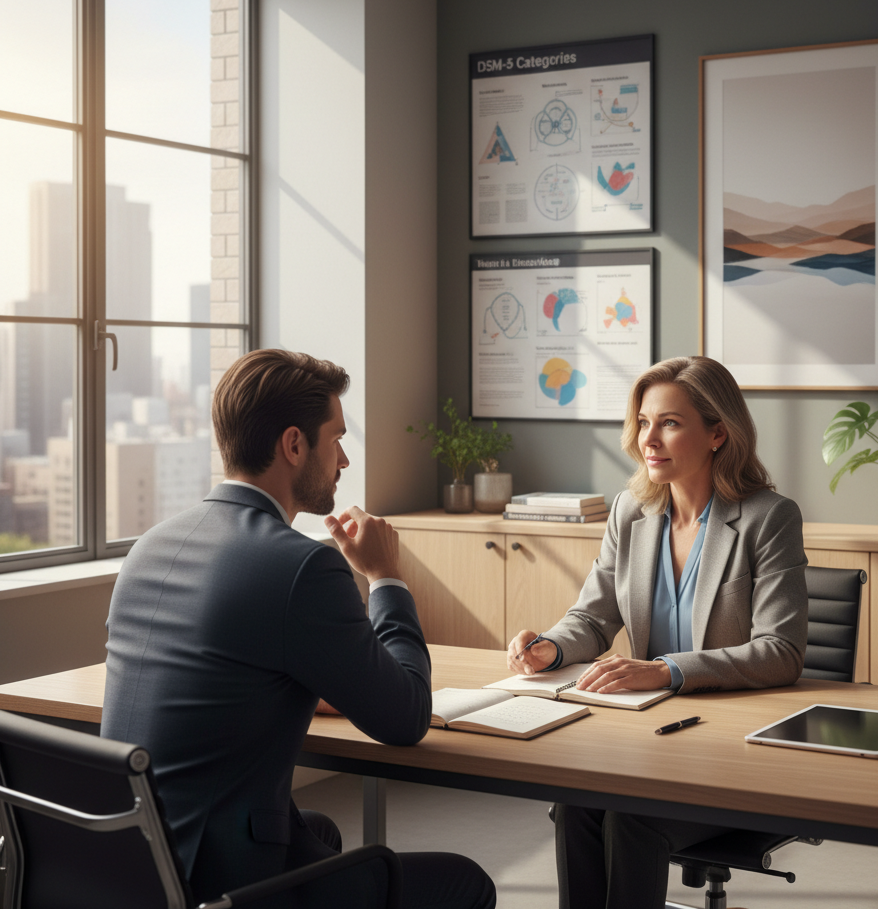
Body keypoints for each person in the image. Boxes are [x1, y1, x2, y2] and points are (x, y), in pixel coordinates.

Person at [102, 349, 496, 909]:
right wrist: (385, 576)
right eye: (336, 439)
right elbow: (407, 717)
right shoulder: (301, 566)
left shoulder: (149, 546)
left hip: (128, 866)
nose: (344, 460)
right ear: (293, 445)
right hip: (215, 887)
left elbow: (222, 674)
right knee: (465, 882)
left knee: (317, 830)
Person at [506, 355, 808, 909]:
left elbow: (781, 651)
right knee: (575, 806)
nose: (649, 438)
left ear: (718, 433)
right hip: (648, 740)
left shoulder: (768, 518)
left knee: (630, 818)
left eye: (669, 423)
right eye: (644, 422)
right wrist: (551, 647)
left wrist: (666, 671)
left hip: (730, 749)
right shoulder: (631, 512)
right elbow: (593, 617)